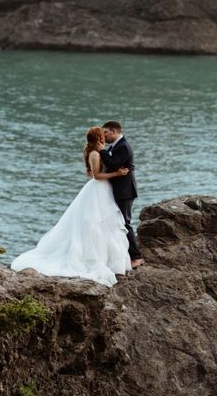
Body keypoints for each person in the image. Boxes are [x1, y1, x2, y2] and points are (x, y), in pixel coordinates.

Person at [11, 126, 131, 287]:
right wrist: (117, 174)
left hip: (105, 190)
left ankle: (110, 260)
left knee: (106, 225)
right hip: (99, 189)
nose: (105, 137)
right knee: (94, 223)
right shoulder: (95, 154)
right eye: (102, 135)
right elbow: (97, 176)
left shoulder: (99, 151)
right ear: (98, 138)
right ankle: (96, 259)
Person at [100, 121, 144, 268]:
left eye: (105, 132)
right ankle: (122, 254)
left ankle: (136, 257)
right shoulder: (117, 145)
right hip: (121, 189)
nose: (103, 136)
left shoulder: (123, 146)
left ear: (113, 131)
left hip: (125, 191)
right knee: (119, 222)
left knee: (125, 223)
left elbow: (113, 164)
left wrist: (101, 151)